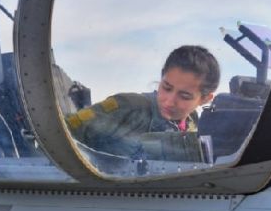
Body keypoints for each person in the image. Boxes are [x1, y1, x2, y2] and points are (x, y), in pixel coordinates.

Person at [65, 45, 220, 162]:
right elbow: (62, 131)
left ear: (205, 99)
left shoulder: (193, 122)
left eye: (185, 96)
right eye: (166, 87)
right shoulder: (127, 107)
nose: (169, 100)